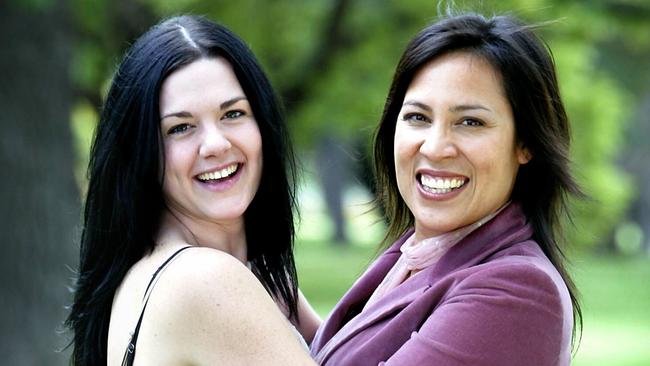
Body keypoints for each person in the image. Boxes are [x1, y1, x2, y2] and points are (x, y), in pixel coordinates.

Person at [310, 12, 582, 366]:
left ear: (525, 143)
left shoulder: (519, 290)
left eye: (470, 122)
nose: (435, 147)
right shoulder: (413, 256)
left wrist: (227, 289)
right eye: (417, 118)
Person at [65, 15, 320, 365]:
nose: (215, 144)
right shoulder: (204, 281)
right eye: (181, 127)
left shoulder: (256, 276)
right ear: (143, 153)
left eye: (233, 114)